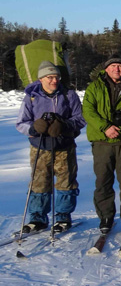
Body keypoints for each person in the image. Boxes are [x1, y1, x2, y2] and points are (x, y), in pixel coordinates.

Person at [16, 61, 85, 232]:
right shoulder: (31, 97)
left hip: (64, 146)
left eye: (56, 77)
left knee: (66, 183)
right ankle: (38, 218)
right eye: (50, 77)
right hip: (40, 147)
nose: (54, 80)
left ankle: (63, 217)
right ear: (41, 79)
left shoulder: (69, 95)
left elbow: (80, 119)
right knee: (39, 183)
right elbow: (21, 122)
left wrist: (64, 125)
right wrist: (33, 128)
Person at [82, 55, 121, 237]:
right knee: (103, 181)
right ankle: (106, 216)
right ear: (106, 69)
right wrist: (106, 127)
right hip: (102, 141)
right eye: (113, 66)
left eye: (120, 66)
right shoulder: (94, 87)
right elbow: (88, 111)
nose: (117, 69)